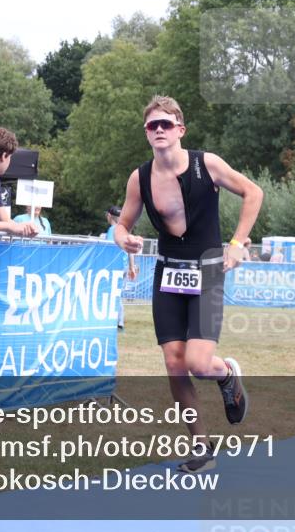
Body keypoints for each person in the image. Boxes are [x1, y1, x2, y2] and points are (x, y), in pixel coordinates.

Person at [112, 95, 262, 474]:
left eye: (166, 124)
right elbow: (122, 223)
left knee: (198, 363)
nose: (159, 130)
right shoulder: (140, 178)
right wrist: (123, 238)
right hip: (167, 273)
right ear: (146, 133)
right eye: (152, 125)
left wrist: (237, 243)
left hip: (207, 270)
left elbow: (254, 192)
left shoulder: (206, 164)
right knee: (174, 364)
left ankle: (226, 374)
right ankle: (201, 446)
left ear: (180, 129)